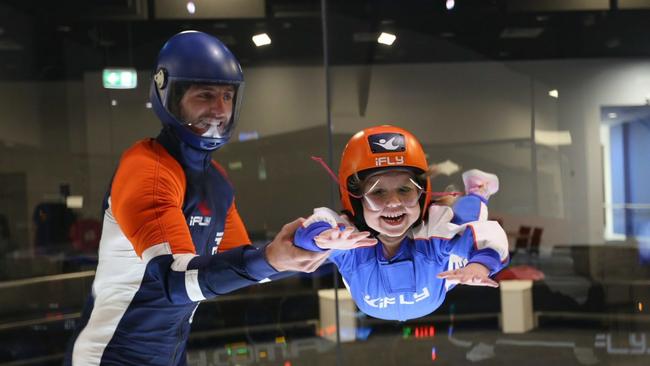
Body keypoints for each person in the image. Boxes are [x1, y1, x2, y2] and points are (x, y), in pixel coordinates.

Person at [64, 31, 335, 366]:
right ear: (171, 96)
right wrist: (270, 258)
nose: (219, 109)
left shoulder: (216, 181)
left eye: (226, 96)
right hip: (108, 357)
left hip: (170, 355)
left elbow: (244, 264)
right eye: (205, 95)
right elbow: (174, 281)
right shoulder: (146, 167)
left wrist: (324, 246)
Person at [294, 125, 509, 321]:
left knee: (466, 219)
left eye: (404, 190)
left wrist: (479, 265)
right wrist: (321, 237)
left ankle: (478, 191)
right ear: (356, 202)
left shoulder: (433, 236)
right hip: (426, 293)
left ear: (420, 195)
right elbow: (315, 225)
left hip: (441, 278)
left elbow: (487, 236)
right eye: (378, 192)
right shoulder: (350, 242)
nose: (394, 203)